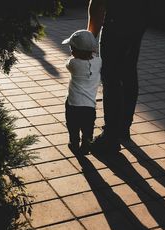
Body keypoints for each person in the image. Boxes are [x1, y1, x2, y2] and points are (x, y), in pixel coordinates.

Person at [87, 0, 149, 153]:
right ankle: (123, 129)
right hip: (139, 17)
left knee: (111, 77)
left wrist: (89, 39)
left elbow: (97, 4)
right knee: (128, 72)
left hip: (117, 21)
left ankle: (110, 137)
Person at [62, 29, 102, 155]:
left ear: (74, 50)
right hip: (89, 106)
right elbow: (94, 57)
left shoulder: (73, 63)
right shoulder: (99, 62)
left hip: (73, 104)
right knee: (88, 128)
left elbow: (67, 62)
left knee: (73, 126)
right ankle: (86, 145)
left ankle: (74, 143)